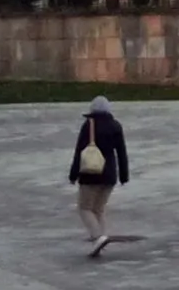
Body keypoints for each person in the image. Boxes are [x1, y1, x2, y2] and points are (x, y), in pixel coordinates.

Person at [69, 95, 129, 257]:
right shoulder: (116, 126)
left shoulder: (89, 125)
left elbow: (79, 151)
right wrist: (124, 175)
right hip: (109, 175)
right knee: (99, 209)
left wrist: (73, 174)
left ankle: (98, 237)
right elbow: (122, 153)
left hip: (91, 174)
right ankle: (101, 238)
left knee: (85, 208)